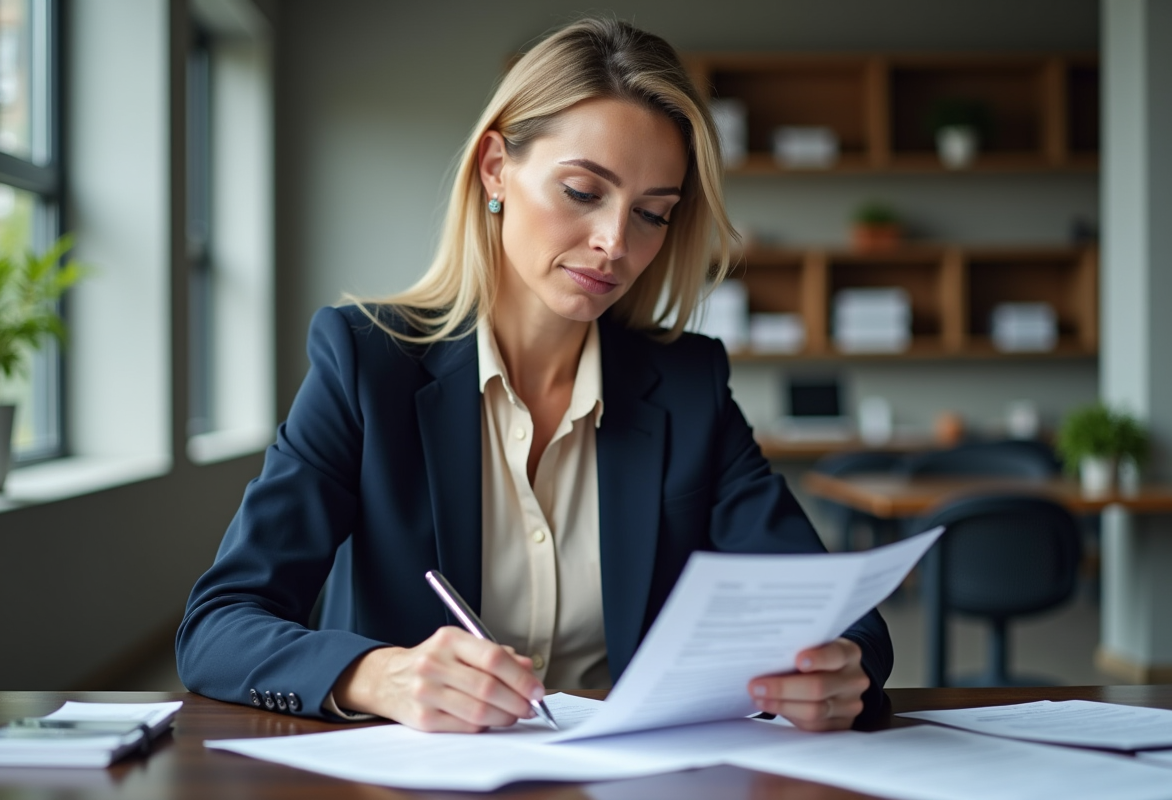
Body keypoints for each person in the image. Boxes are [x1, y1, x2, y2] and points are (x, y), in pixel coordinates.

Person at [176, 17, 891, 734]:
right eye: (582, 191)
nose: (614, 242)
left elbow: (836, 612)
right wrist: (380, 676)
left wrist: (840, 667)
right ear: (496, 168)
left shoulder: (687, 386)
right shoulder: (365, 364)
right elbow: (218, 624)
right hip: (416, 776)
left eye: (651, 214)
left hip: (632, 774)